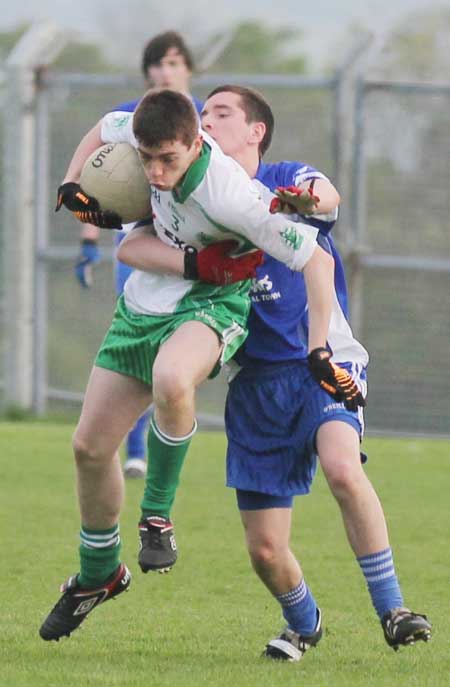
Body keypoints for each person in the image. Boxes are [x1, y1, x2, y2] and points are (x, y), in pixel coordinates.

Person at [115, 85, 431, 659]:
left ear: (256, 130)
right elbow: (132, 243)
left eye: (221, 112)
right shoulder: (191, 197)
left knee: (341, 466)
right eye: (203, 112)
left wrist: (305, 198)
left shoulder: (283, 178)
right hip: (254, 383)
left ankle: (395, 609)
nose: (208, 119)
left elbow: (324, 196)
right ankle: (304, 621)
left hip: (320, 363)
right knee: (264, 551)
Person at [39, 88, 352, 643]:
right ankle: (98, 576)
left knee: (172, 378)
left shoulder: (232, 195)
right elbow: (101, 128)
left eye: (169, 160)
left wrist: (320, 347)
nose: (155, 174)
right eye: (147, 159)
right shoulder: (138, 132)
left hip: (213, 305)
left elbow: (317, 258)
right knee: (89, 448)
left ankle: (157, 517)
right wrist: (71, 183)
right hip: (146, 301)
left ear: (195, 144)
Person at [75, 31, 203, 479]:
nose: (165, 71)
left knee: (178, 352)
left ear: (188, 68)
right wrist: (89, 238)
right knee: (137, 341)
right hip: (138, 244)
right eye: (158, 63)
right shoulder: (131, 115)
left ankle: (167, 436)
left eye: (173, 62)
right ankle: (135, 449)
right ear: (148, 71)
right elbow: (101, 179)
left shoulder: (205, 118)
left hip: (189, 247)